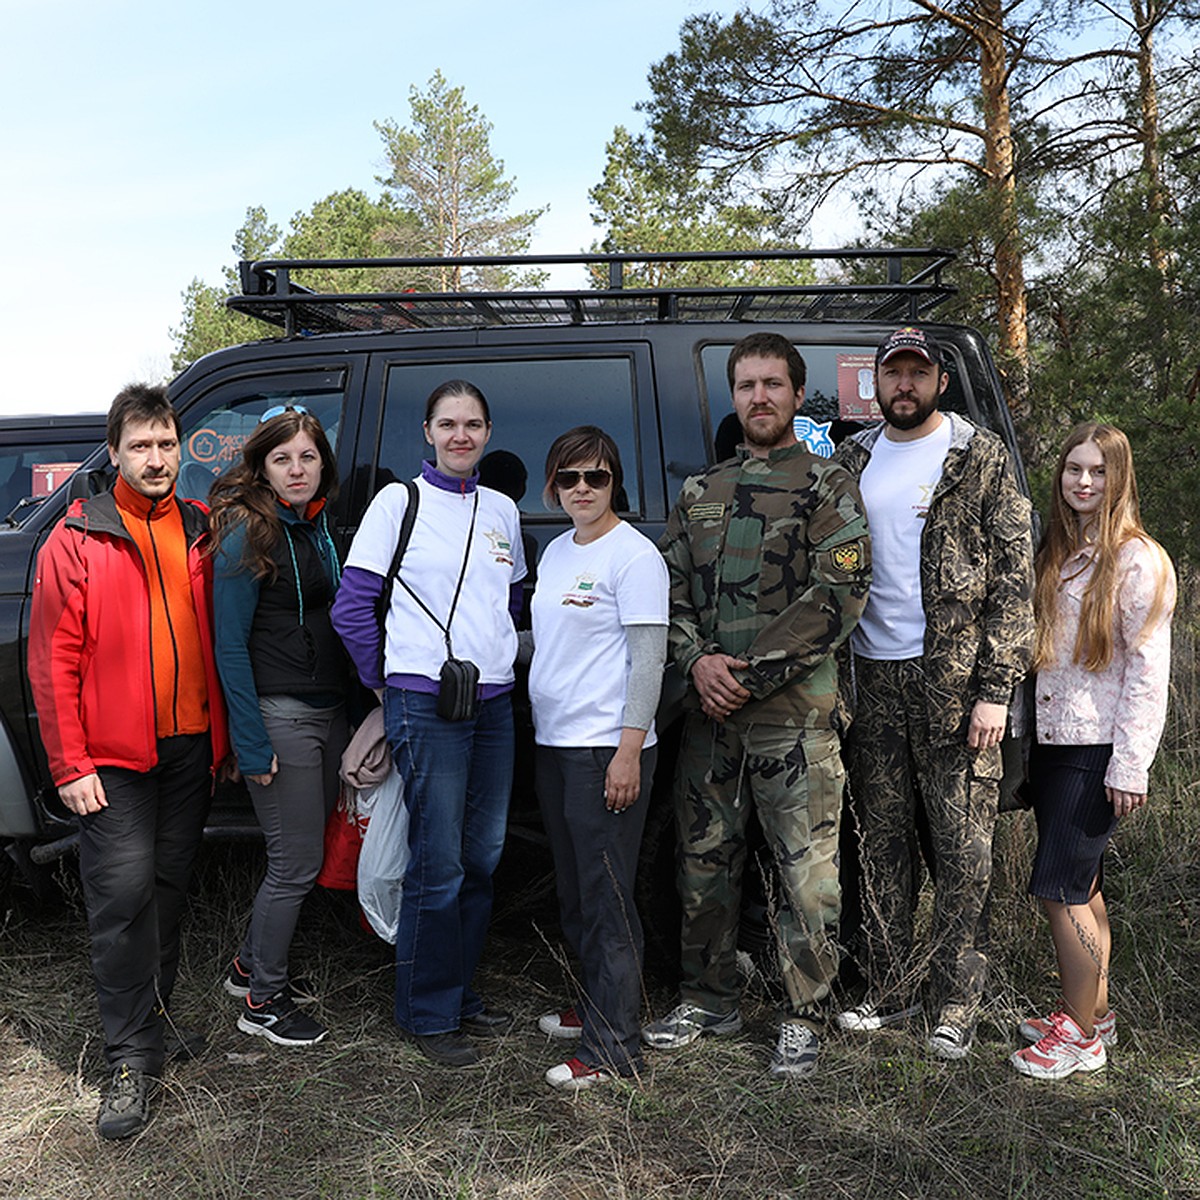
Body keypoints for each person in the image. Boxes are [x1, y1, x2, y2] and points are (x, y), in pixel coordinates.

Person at [643, 331, 871, 1078]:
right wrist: (698, 662)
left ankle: (804, 1014)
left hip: (794, 718)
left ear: (797, 395)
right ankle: (709, 999)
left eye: (774, 384)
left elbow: (839, 595)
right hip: (710, 718)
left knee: (806, 874)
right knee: (703, 864)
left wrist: (749, 672)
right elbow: (667, 590)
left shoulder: (829, 485)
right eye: (747, 385)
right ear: (733, 395)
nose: (760, 397)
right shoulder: (700, 492)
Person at [29, 383, 229, 1140]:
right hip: (110, 761)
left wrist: (225, 744)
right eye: (140, 445)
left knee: (170, 890)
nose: (155, 458)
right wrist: (70, 764)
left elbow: (218, 643)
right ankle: (127, 1060)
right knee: (121, 903)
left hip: (187, 752)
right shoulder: (78, 538)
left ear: (183, 449)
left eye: (166, 444)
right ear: (113, 451)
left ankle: (153, 1028)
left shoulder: (201, 529)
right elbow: (53, 663)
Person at [832, 326, 1034, 1060]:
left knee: (962, 850)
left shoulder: (978, 457)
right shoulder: (852, 460)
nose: (905, 385)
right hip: (872, 680)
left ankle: (957, 998)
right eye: (895, 373)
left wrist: (996, 691)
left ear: (939, 382)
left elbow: (1014, 585)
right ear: (878, 384)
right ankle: (888, 986)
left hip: (954, 688)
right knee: (882, 846)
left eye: (919, 372)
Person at [331, 379, 526, 1068]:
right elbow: (352, 607)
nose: (460, 436)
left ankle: (461, 993)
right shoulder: (398, 503)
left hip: (494, 701)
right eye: (448, 423)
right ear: (427, 430)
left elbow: (510, 602)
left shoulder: (503, 509)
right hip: (424, 702)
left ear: (488, 430)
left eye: (473, 424)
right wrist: (385, 684)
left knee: (482, 858)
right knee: (437, 865)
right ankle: (427, 1012)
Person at [1011, 423, 1175, 1080]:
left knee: (1060, 891)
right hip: (1054, 741)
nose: (1083, 482)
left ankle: (1079, 1036)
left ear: (1119, 478)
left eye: (1098, 471)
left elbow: (1147, 669)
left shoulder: (1138, 560)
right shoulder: (1059, 548)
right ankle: (1094, 1009)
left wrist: (1130, 764)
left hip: (1096, 748)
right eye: (1073, 469)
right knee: (1086, 884)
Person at [528, 426, 669, 1091]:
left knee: (609, 900)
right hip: (555, 747)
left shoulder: (634, 557)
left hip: (604, 751)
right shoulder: (557, 550)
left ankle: (615, 1048)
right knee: (578, 893)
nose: (582, 488)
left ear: (617, 483)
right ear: (552, 485)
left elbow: (648, 661)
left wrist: (627, 753)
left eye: (597, 476)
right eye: (569, 477)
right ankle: (593, 1008)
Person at [208, 406, 348, 1048]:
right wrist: (250, 739)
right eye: (282, 458)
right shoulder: (246, 532)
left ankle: (246, 966)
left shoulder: (316, 528)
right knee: (293, 864)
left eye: (307, 457)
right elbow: (229, 646)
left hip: (325, 712)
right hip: (278, 715)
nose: (297, 469)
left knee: (305, 851)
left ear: (323, 463)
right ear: (262, 465)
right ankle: (263, 1000)